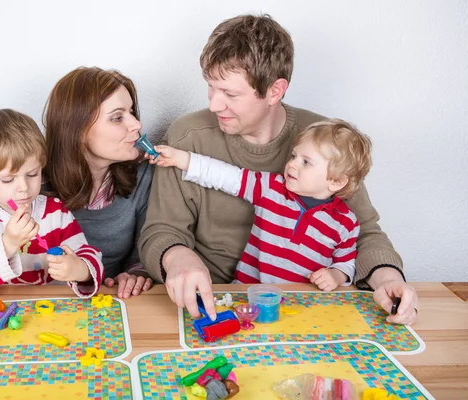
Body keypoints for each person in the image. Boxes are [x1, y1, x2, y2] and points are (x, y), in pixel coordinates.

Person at [139, 14, 418, 325]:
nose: (215, 105)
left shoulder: (324, 140)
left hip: (305, 306)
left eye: (230, 94)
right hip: (215, 299)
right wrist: (178, 258)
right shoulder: (187, 136)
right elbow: (161, 231)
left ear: (275, 91)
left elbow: (364, 232)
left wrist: (389, 280)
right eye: (211, 87)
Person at [151, 119, 371, 292]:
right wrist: (181, 159)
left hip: (304, 306)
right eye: (294, 156)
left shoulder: (346, 223)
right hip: (248, 295)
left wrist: (335, 275)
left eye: (306, 162)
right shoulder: (271, 188)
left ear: (336, 181)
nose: (292, 164)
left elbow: (346, 263)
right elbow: (226, 176)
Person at [0, 109, 103, 303]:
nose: (23, 188)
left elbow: (90, 255)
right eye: (8, 179)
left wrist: (80, 270)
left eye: (33, 174)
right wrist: (7, 243)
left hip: (52, 311)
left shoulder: (56, 212)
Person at [43, 67, 154, 299]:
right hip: (46, 307)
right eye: (117, 117)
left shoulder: (143, 174)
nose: (136, 125)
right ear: (78, 130)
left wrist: (135, 274)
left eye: (132, 112)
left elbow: (143, 252)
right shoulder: (31, 182)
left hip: (108, 304)